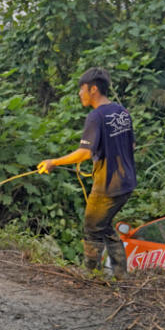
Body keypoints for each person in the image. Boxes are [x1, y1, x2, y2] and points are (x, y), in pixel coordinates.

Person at [38, 67, 136, 277]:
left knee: (92, 228)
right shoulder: (122, 112)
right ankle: (121, 275)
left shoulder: (96, 116)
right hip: (127, 182)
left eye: (81, 89)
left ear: (93, 89)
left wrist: (53, 162)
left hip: (108, 184)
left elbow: (84, 152)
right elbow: (132, 145)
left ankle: (91, 275)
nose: (79, 94)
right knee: (104, 225)